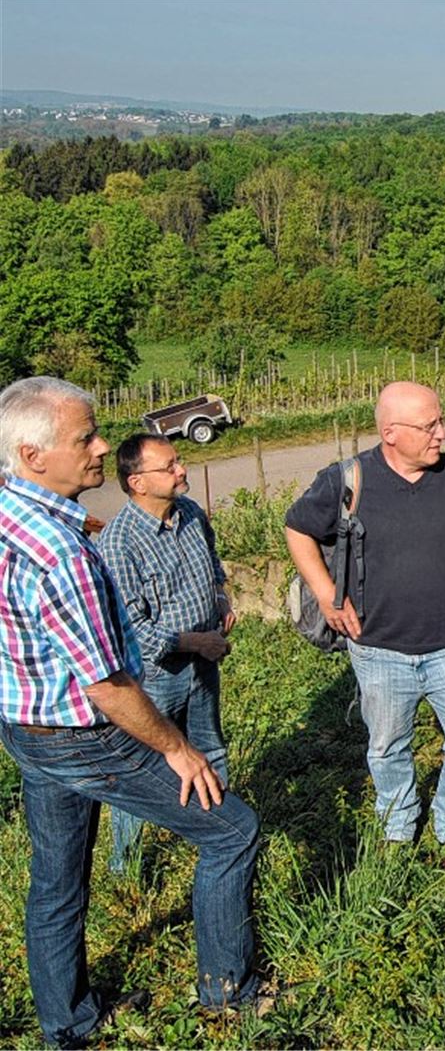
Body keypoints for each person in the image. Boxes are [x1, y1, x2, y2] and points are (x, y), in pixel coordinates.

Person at [0, 377, 263, 1047]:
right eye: (84, 437)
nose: (99, 448)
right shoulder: (60, 553)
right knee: (231, 830)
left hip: (26, 724)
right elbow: (109, 686)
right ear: (35, 455)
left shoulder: (16, 515)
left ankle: (67, 1025)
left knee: (56, 882)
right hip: (82, 734)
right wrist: (176, 747)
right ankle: (229, 995)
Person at [284, 381, 445, 869]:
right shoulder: (349, 480)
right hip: (376, 646)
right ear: (390, 432)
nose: (442, 434)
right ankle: (398, 823)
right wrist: (327, 594)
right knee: (387, 747)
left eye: (441, 421)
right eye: (429, 426)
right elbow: (298, 527)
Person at [99, 433, 235, 875]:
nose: (182, 470)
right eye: (169, 466)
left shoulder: (190, 513)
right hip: (158, 674)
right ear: (137, 481)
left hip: (203, 660)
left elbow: (212, 565)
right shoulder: (120, 542)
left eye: (179, 461)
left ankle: (219, 834)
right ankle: (127, 865)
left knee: (209, 747)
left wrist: (221, 601)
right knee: (145, 766)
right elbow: (131, 626)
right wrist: (196, 641)